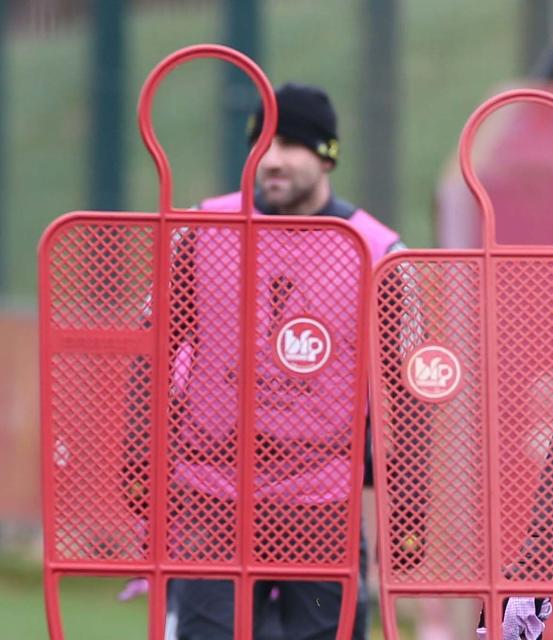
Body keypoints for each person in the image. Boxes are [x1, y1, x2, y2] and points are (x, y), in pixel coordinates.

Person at [163, 82, 403, 640]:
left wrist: (409, 507)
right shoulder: (203, 230)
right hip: (211, 495)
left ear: (327, 154)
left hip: (321, 503)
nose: (271, 158)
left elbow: (407, 392)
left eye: (291, 143)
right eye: (261, 142)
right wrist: (140, 467)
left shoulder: (377, 249)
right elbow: (152, 355)